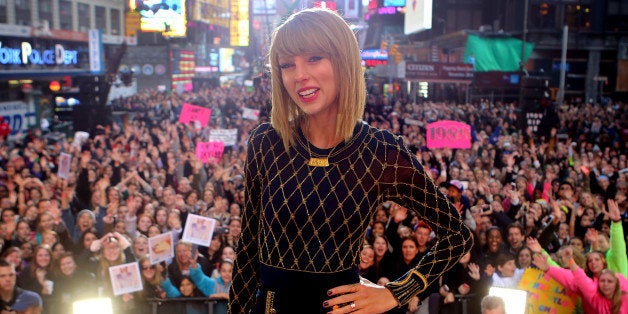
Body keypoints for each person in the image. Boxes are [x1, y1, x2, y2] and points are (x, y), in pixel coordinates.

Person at [229, 8, 472, 313]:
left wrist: (395, 292)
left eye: (314, 58)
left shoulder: (380, 152)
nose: (299, 74)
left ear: (343, 61)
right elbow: (249, 248)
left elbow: (457, 235)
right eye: (287, 64)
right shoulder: (266, 142)